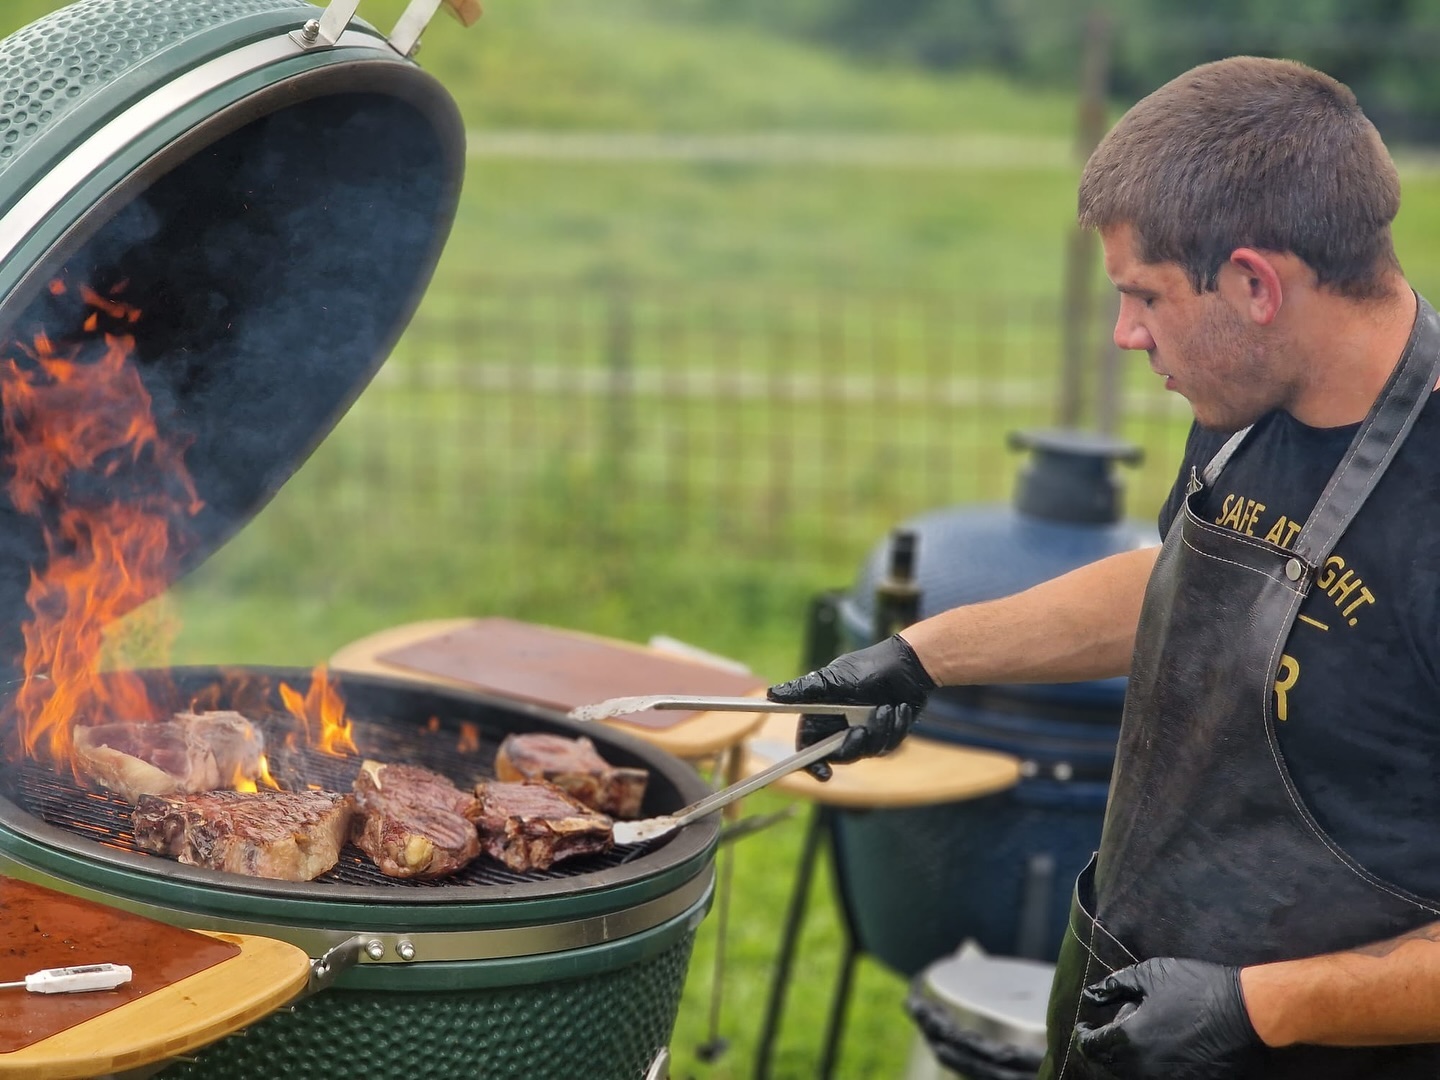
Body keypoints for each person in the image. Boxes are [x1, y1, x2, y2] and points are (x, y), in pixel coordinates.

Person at [767, 56, 1440, 1079]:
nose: (1126, 334)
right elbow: (1188, 585)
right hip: (1135, 1004)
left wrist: (1258, 1008)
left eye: (1145, 297)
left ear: (1255, 285)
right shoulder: (1251, 406)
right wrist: (924, 655)